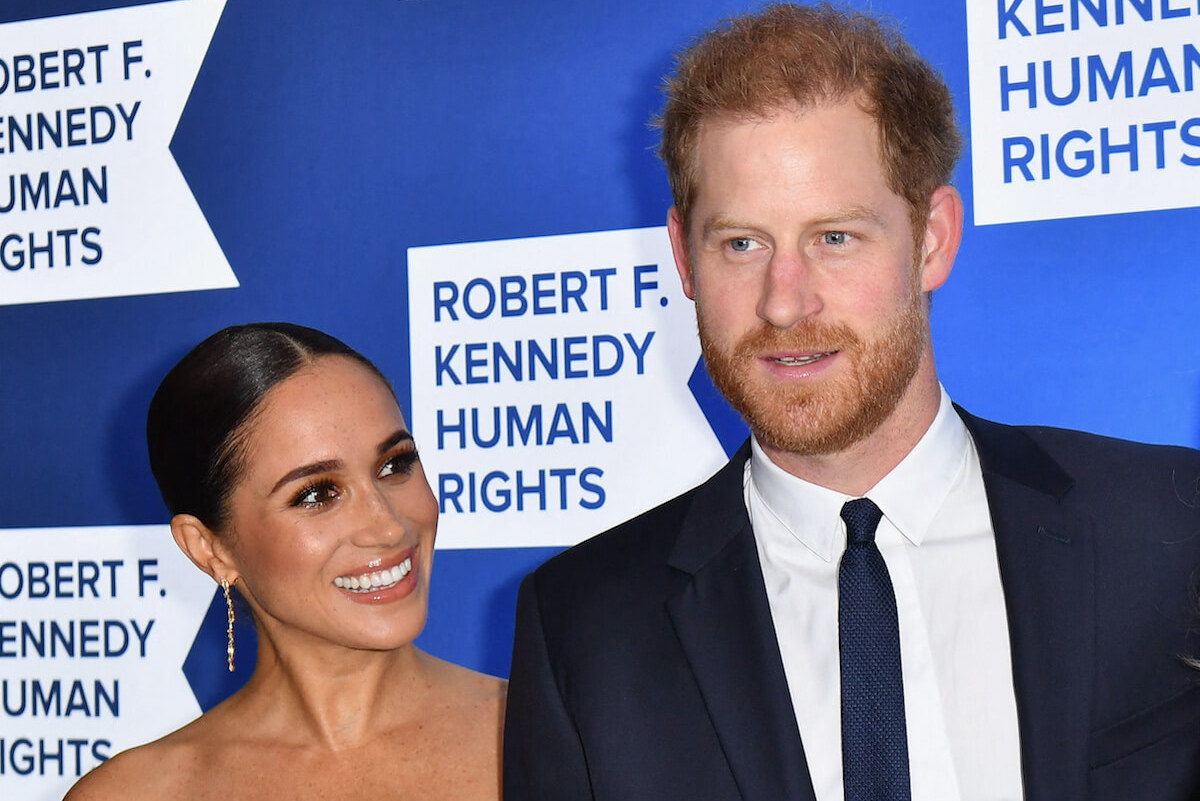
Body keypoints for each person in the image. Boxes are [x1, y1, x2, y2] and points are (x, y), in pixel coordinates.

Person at [503, 4, 1200, 801]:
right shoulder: (585, 630)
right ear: (682, 258)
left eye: (834, 237)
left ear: (932, 239)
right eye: (741, 243)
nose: (783, 303)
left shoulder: (1172, 528)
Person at [66, 323, 505, 800]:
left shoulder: (555, 733)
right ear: (209, 548)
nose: (388, 526)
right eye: (317, 494)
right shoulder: (134, 794)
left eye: (394, 465)